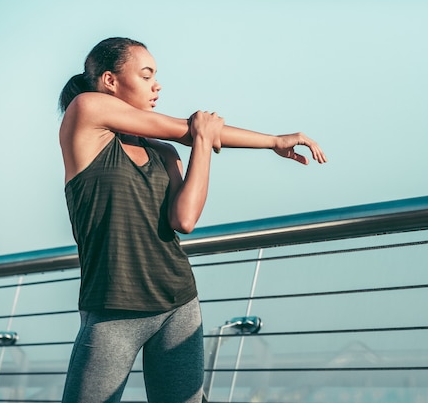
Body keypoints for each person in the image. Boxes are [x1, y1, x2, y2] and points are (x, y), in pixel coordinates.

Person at [58, 37, 326, 403]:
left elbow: (184, 219)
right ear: (110, 81)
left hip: (178, 303)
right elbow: (184, 128)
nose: (157, 85)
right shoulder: (84, 113)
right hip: (112, 308)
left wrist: (207, 144)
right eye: (146, 74)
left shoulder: (164, 153)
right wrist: (210, 134)